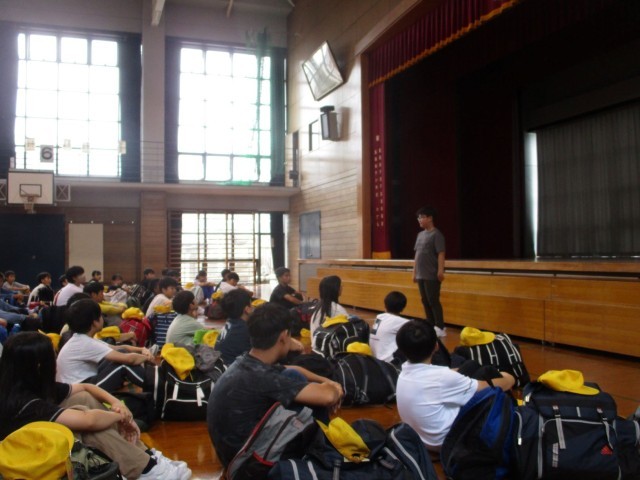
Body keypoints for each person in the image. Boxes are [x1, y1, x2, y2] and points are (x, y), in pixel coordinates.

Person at [0, 332, 191, 479]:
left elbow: (87, 387)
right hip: (25, 459)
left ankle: (143, 456)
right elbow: (88, 421)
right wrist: (121, 415)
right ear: (39, 366)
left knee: (83, 398)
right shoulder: (25, 402)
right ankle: (144, 469)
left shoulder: (21, 384)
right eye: (53, 356)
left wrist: (117, 404)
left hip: (35, 447)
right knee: (85, 423)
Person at [207, 303, 343, 467]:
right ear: (284, 336)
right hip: (248, 465)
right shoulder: (262, 377)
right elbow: (328, 397)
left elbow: (292, 369)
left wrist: (327, 382)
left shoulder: (246, 362)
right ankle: (325, 457)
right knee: (315, 406)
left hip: (232, 454)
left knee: (294, 376)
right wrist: (335, 388)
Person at [395, 320, 515, 452]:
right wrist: (508, 377)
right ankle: (516, 421)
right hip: (446, 442)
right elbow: (487, 387)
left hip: (420, 439)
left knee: (470, 366)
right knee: (486, 374)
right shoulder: (442, 378)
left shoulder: (403, 372)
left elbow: (441, 376)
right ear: (436, 346)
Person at [56, 299, 154, 392]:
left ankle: (153, 379)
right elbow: (129, 360)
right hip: (79, 391)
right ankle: (155, 385)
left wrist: (142, 350)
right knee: (123, 366)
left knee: (121, 353)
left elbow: (120, 348)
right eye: (101, 316)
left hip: (82, 384)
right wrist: (147, 357)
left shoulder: (81, 339)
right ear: (95, 322)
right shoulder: (85, 343)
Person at [413, 205, 447, 337]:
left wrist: (440, 270)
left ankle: (440, 326)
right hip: (420, 274)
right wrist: (414, 272)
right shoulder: (420, 235)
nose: (419, 220)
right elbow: (417, 255)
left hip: (431, 273)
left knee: (433, 300)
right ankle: (430, 324)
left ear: (430, 218)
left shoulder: (437, 234)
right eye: (418, 218)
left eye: (422, 217)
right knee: (425, 300)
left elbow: (441, 253)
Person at [213, 289, 253, 366]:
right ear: (247, 309)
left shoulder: (230, 322)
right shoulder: (244, 330)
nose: (253, 307)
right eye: (251, 305)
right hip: (232, 368)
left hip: (221, 365)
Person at [369, 291, 410, 363]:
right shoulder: (401, 321)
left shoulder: (379, 317)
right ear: (402, 308)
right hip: (387, 361)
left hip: (372, 358)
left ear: (385, 305)